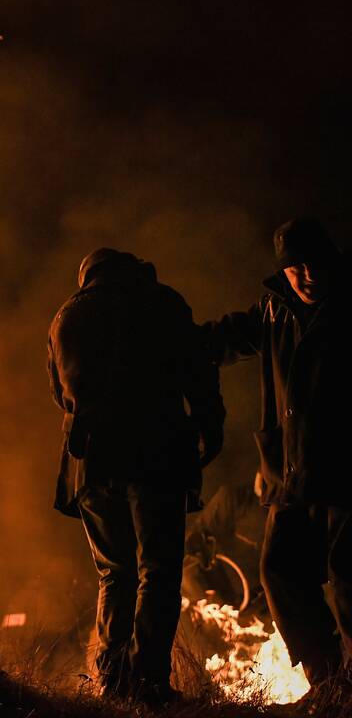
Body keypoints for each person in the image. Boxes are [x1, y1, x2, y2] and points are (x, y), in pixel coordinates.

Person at [48, 248, 224, 704]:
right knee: (159, 571)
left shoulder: (66, 314)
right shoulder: (161, 303)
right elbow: (197, 372)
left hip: (91, 463)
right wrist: (211, 427)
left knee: (115, 573)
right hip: (155, 455)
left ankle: (112, 680)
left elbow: (59, 392)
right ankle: (148, 683)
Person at [204, 217, 350, 689]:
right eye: (294, 267)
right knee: (280, 572)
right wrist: (165, 344)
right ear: (282, 271)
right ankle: (330, 683)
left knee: (349, 580)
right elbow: (221, 339)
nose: (306, 274)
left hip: (346, 469)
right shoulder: (274, 309)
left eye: (314, 262)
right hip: (291, 474)